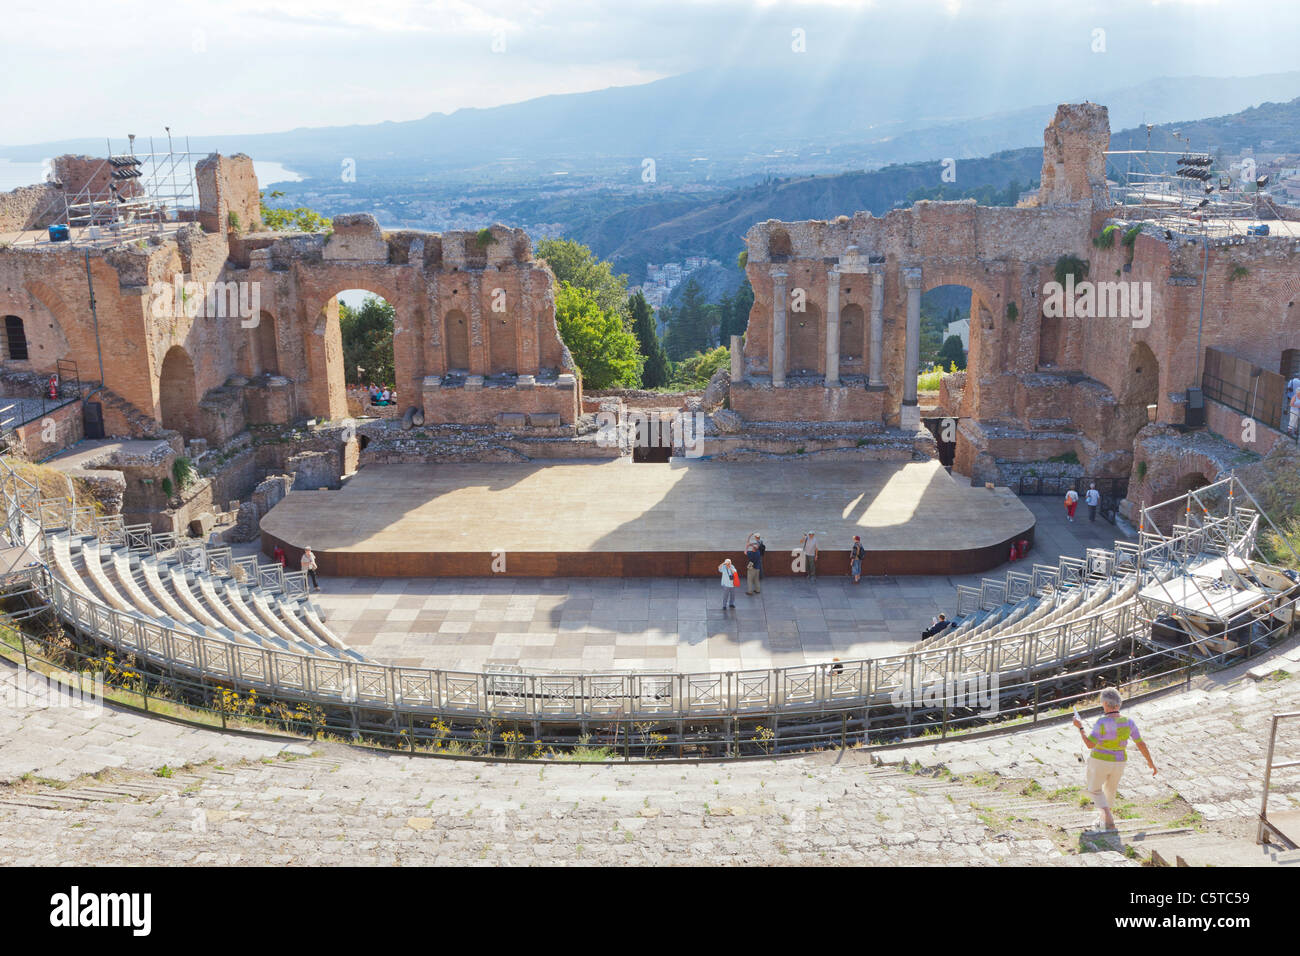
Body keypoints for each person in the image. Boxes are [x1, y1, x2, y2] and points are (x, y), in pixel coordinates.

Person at [1072, 687, 1157, 831]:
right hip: (1120, 762)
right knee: (1111, 790)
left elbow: (1089, 744)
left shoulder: (1102, 722)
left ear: (1104, 703)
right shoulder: (1129, 722)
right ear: (1118, 704)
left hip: (1100, 760)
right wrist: (1150, 762)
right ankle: (1104, 819)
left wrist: (1080, 727)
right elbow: (1141, 743)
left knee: (1095, 789)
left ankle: (1108, 818)